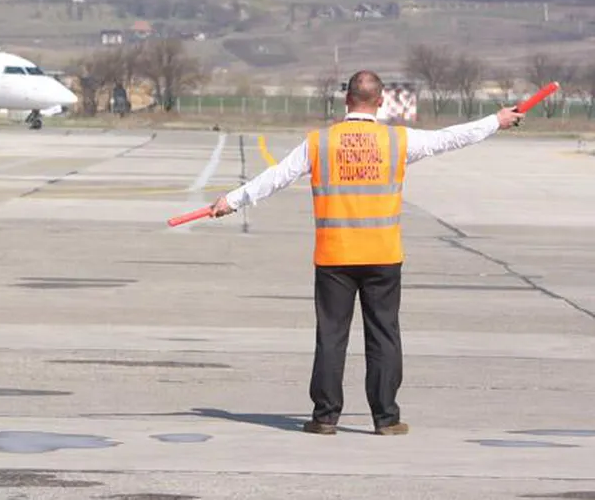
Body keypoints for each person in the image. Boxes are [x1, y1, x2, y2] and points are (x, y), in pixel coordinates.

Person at [208, 70, 524, 436]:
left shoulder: (319, 143)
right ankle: (386, 418)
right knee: (384, 335)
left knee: (331, 336)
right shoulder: (398, 141)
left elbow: (276, 177)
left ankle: (325, 416)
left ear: (346, 100)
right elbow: (450, 138)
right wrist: (495, 121)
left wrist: (231, 200)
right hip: (383, 255)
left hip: (335, 257)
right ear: (380, 101)